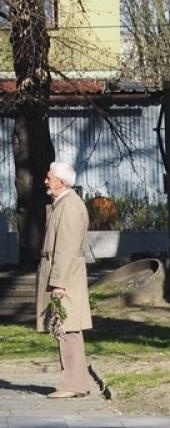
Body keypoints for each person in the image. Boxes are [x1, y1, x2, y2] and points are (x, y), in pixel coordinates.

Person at [35, 161, 94, 399]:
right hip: (64, 275)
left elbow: (66, 248)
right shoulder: (64, 203)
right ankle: (74, 381)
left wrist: (58, 283)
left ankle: (73, 383)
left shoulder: (69, 206)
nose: (46, 181)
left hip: (65, 277)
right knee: (65, 329)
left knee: (67, 329)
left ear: (61, 181)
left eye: (49, 177)